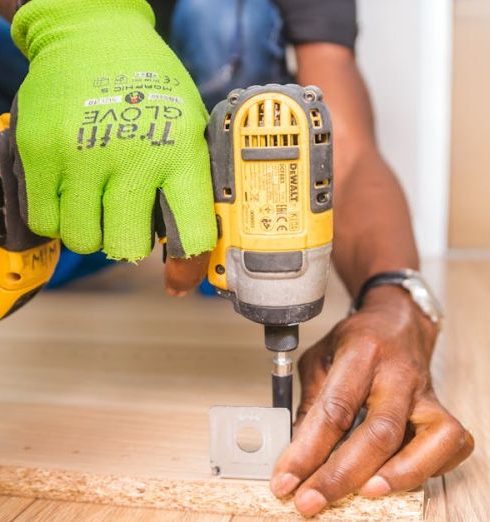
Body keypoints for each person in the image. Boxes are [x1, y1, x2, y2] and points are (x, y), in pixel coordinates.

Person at [0, 0, 474, 517]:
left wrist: (395, 298)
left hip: (206, 206)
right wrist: (75, 18)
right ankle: (79, 214)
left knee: (221, 18)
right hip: (67, 157)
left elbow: (351, 153)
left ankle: (208, 231)